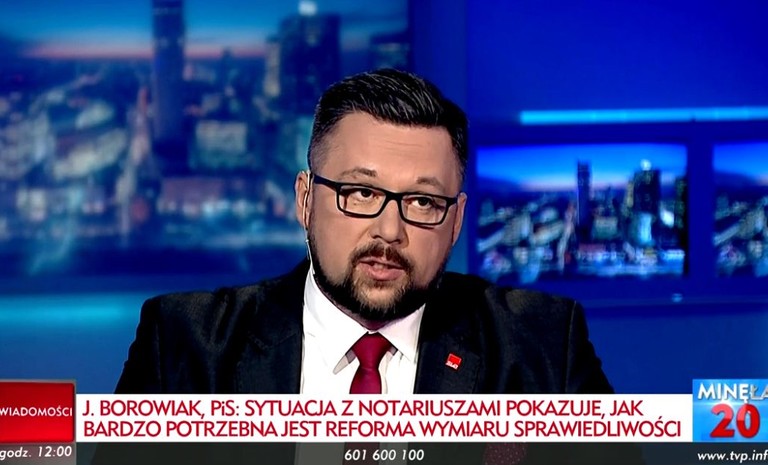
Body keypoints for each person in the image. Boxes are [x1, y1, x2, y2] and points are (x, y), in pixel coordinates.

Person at [98, 69, 637, 465]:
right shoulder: (184, 344)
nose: (389, 231)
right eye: (360, 193)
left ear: (455, 221)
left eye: (422, 202)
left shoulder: (543, 345)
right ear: (305, 200)